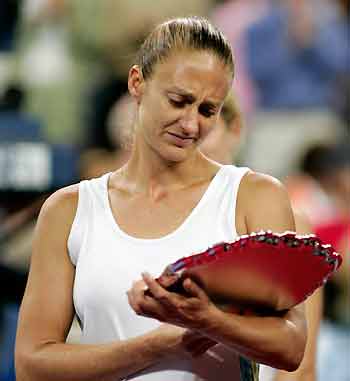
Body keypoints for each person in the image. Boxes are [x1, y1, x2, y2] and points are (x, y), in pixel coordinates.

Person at [15, 17, 307, 381]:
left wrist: (209, 321)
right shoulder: (68, 211)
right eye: (178, 101)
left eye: (207, 110)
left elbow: (292, 345)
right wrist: (157, 345)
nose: (190, 124)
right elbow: (31, 365)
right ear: (137, 83)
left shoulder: (255, 197)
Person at [200, 92, 323, 381]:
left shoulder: (291, 221)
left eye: (208, 119)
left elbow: (301, 366)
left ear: (235, 129)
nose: (194, 133)